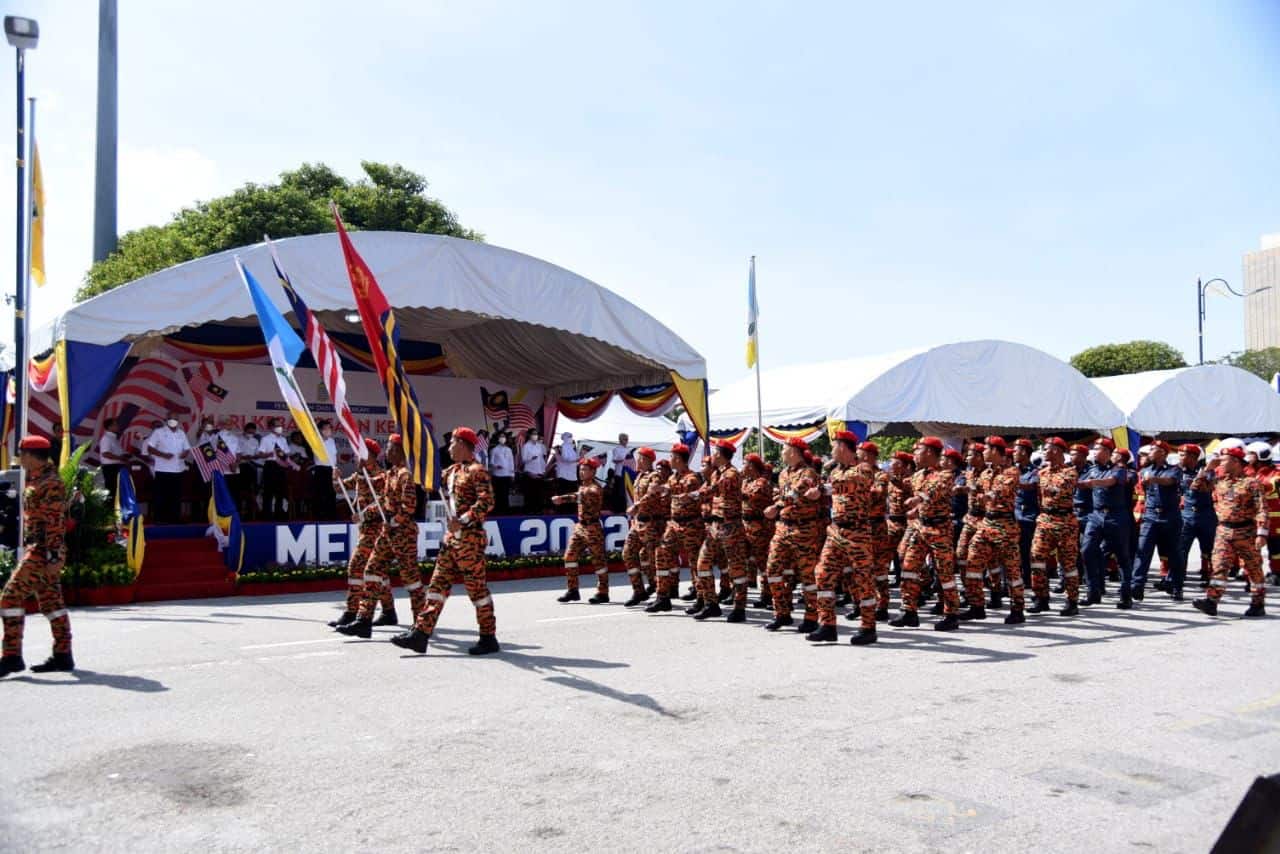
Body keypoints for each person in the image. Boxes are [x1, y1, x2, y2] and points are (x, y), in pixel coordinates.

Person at [393, 427, 500, 655]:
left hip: (470, 540)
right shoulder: (452, 470)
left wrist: (463, 520)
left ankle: (488, 637)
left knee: (477, 591)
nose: (449, 448)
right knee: (437, 587)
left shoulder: (477, 471)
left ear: (463, 444)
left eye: (452, 443)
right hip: (451, 541)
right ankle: (421, 634)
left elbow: (487, 501)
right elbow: (429, 480)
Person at [339, 435, 427, 637]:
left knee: (411, 580)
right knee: (371, 570)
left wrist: (393, 520)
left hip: (403, 535)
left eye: (390, 449)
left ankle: (420, 625)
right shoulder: (391, 474)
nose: (386, 452)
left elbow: (409, 506)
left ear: (400, 452)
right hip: (387, 533)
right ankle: (363, 620)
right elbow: (381, 500)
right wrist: (366, 514)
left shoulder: (405, 475)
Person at [0, 436, 73, 676]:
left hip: (43, 550)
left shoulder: (50, 482)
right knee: (52, 603)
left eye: (22, 454)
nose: (20, 459)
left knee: (9, 597)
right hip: (42, 548)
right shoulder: (38, 478)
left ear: (31, 456)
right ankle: (63, 655)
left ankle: (12, 656)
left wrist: (53, 555)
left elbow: (55, 521)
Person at [810, 430, 877, 645]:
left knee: (863, 579)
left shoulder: (863, 468)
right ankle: (827, 625)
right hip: (836, 530)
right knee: (823, 574)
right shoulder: (835, 471)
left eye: (833, 446)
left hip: (857, 532)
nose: (831, 451)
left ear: (842, 447)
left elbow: (854, 483)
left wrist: (824, 489)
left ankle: (868, 627)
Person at [893, 437, 961, 630]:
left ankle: (951, 614)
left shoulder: (945, 474)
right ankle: (909, 611)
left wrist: (918, 499)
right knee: (908, 567)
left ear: (929, 452)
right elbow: (905, 486)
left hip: (939, 530)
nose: (914, 455)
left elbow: (934, 491)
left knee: (944, 573)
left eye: (918, 451)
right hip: (920, 527)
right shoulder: (918, 475)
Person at [1193, 444, 1267, 618]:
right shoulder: (1219, 481)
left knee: (1253, 568)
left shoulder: (1252, 483)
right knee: (1219, 566)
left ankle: (1258, 603)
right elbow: (1196, 486)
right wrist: (1207, 469)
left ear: (1236, 462)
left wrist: (1261, 533)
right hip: (1224, 531)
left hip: (1246, 531)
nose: (1220, 463)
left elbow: (1262, 508)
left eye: (1223, 460)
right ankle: (1212, 601)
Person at [329, 438, 396, 629]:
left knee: (355, 567)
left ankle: (351, 612)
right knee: (378, 573)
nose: (356, 459)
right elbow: (339, 488)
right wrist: (335, 478)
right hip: (365, 529)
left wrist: (364, 514)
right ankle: (389, 612)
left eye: (360, 455)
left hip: (376, 530)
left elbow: (384, 502)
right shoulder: (359, 476)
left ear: (370, 456)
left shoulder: (382, 477)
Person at [963, 437, 1026, 625]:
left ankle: (1017, 609)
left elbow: (1000, 490)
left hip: (1005, 527)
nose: (983, 452)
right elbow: (976, 490)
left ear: (996, 451)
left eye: (986, 449)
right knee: (972, 561)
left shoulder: (1011, 471)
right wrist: (965, 488)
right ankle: (976, 606)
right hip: (986, 523)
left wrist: (987, 496)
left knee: (1012, 570)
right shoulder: (986, 473)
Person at [762, 438, 823, 632]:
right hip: (783, 528)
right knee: (772, 569)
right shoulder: (783, 474)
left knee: (807, 575)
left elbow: (796, 494)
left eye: (784, 449)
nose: (781, 452)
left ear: (794, 452)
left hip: (804, 529)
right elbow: (783, 494)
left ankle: (811, 617)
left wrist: (776, 506)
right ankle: (782, 613)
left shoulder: (808, 473)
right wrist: (777, 500)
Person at [691, 438, 749, 622]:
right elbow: (707, 488)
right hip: (715, 526)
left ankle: (739, 607)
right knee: (703, 564)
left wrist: (693, 495)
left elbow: (713, 489)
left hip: (731, 526)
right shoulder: (716, 473)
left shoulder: (731, 474)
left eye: (715, 453)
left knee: (736, 568)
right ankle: (711, 604)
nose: (712, 456)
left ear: (721, 455)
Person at [646, 444, 704, 613]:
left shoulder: (692, 479)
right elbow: (668, 490)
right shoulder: (673, 477)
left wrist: (663, 489)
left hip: (691, 524)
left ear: (678, 459)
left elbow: (688, 496)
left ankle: (702, 598)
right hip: (674, 524)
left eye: (671, 457)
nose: (669, 460)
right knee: (662, 553)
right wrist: (660, 489)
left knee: (695, 562)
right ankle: (662, 597)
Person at [1028, 437, 1082, 616]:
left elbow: (1061, 489)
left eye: (1047, 449)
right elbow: (1040, 495)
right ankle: (1041, 597)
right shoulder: (1042, 472)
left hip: (1065, 521)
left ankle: (1072, 601)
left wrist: (1051, 490)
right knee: (1036, 557)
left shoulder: (1070, 472)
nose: (1044, 452)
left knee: (1068, 563)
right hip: (1045, 519)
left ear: (1057, 450)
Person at [1079, 437, 1132, 608]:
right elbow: (1078, 482)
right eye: (1094, 448)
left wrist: (1091, 483)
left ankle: (1126, 595)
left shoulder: (1119, 469)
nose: (1094, 451)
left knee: (1122, 556)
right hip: (1096, 515)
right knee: (1087, 551)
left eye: (1098, 449)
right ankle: (1093, 591)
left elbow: (1111, 481)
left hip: (1116, 516)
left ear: (1108, 452)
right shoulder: (1092, 469)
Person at [1130, 440, 1184, 602]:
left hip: (1170, 516)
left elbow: (1170, 481)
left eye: (1154, 449)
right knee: (1143, 551)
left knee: (1174, 553)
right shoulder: (1145, 470)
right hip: (1151, 516)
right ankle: (1137, 586)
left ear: (1163, 453)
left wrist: (1154, 479)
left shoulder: (1174, 470)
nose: (1150, 452)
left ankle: (1176, 587)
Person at [552, 458, 608, 602]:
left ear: (593, 472)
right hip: (580, 527)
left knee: (598, 560)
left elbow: (582, 496)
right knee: (569, 557)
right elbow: (579, 495)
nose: (581, 472)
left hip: (592, 528)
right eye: (581, 469)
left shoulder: (595, 488)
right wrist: (563, 499)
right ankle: (573, 590)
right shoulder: (583, 486)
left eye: (585, 470)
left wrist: (562, 498)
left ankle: (603, 592)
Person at [1175, 444, 1215, 596]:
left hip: (1206, 516)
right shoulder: (1177, 472)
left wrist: (1205, 472)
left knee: (1209, 550)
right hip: (1186, 515)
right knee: (1181, 550)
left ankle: (1210, 578)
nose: (1179, 458)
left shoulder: (1209, 472)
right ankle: (1177, 584)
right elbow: (1189, 488)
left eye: (1182, 455)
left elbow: (1204, 488)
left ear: (1193, 457)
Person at [621, 447, 660, 606]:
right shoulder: (639, 476)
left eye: (641, 458)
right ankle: (638, 590)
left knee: (654, 560)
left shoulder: (655, 476)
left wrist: (636, 506)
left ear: (648, 460)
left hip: (651, 524)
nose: (638, 461)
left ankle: (661, 594)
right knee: (628, 553)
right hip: (638, 523)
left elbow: (651, 495)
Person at [146, 412, 191, 524]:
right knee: (161, 495)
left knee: (176, 496)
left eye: (175, 419)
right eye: (171, 418)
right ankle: (159, 519)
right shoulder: (159, 432)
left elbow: (187, 448)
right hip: (163, 469)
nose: (173, 421)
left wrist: (185, 454)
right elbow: (150, 448)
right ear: (166, 419)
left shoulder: (181, 433)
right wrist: (162, 455)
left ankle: (175, 518)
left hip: (178, 469)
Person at [741, 453, 774, 606]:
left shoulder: (762, 482)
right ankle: (739, 595)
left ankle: (767, 595)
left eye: (745, 464)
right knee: (742, 561)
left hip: (759, 527)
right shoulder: (746, 481)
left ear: (751, 466)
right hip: (745, 525)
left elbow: (748, 496)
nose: (742, 467)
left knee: (762, 562)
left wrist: (732, 489)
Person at [1013, 438, 1041, 590]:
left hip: (1027, 516)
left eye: (1016, 450)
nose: (1014, 453)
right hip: (1013, 516)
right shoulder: (1012, 470)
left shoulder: (1035, 471)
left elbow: (1031, 486)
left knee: (1026, 550)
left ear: (1024, 452)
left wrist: (1011, 483)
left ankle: (1028, 580)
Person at [257, 418, 291, 521]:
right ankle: (267, 515)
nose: (280, 427)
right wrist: (270, 454)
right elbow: (260, 454)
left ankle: (279, 514)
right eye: (277, 425)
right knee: (269, 492)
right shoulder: (266, 439)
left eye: (280, 425)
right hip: (270, 465)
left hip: (281, 465)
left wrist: (285, 457)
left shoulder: (283, 439)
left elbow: (287, 452)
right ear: (271, 427)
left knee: (281, 491)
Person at [310, 420, 339, 521]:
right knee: (320, 493)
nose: (329, 430)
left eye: (330, 428)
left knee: (331, 493)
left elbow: (334, 456)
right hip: (321, 469)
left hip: (331, 469)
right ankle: (318, 516)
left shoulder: (331, 441)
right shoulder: (316, 441)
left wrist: (336, 467)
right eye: (326, 428)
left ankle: (331, 516)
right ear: (321, 430)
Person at [97, 417, 130, 503]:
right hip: (110, 468)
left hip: (117, 467)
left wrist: (125, 456)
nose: (118, 426)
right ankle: (109, 509)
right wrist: (120, 458)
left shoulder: (113, 438)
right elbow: (105, 453)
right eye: (115, 425)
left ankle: (115, 508)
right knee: (112, 490)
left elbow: (117, 452)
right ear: (109, 427)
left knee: (117, 490)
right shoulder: (106, 438)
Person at [519, 428, 548, 514]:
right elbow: (523, 460)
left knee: (539, 493)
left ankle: (538, 510)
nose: (535, 436)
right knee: (530, 493)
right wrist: (531, 458)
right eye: (533, 434)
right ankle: (529, 511)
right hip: (530, 472)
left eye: (536, 434)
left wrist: (544, 470)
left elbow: (542, 458)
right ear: (529, 435)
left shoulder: (539, 445)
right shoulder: (526, 446)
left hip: (539, 472)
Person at [237, 422, 262, 520]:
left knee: (252, 490)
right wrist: (244, 456)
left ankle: (250, 512)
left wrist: (256, 456)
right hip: (241, 466)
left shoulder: (255, 441)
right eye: (249, 432)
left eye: (252, 433)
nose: (251, 434)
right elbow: (236, 454)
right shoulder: (238, 439)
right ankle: (239, 511)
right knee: (241, 490)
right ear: (245, 430)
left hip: (251, 466)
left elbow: (257, 454)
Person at [489, 431, 515, 515]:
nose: (502, 438)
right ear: (498, 439)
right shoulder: (494, 450)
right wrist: (496, 466)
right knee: (498, 493)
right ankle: (498, 510)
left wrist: (512, 474)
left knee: (505, 493)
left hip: (506, 475)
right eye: (501, 437)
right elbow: (491, 462)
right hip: (497, 475)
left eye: (504, 437)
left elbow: (511, 462)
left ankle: (505, 510)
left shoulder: (508, 450)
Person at [550, 432, 580, 498]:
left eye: (571, 436)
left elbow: (574, 462)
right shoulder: (564, 446)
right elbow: (563, 461)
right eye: (569, 436)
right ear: (565, 438)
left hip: (572, 478)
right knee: (564, 498)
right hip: (564, 478)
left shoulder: (572, 448)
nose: (571, 438)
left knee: (570, 498)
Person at [609, 433, 632, 513]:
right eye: (624, 439)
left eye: (627, 439)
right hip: (619, 473)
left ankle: (625, 508)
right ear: (620, 440)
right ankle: (617, 509)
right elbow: (614, 460)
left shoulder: (628, 449)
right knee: (618, 492)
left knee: (625, 492)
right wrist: (623, 459)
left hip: (627, 473)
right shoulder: (616, 448)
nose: (626, 441)